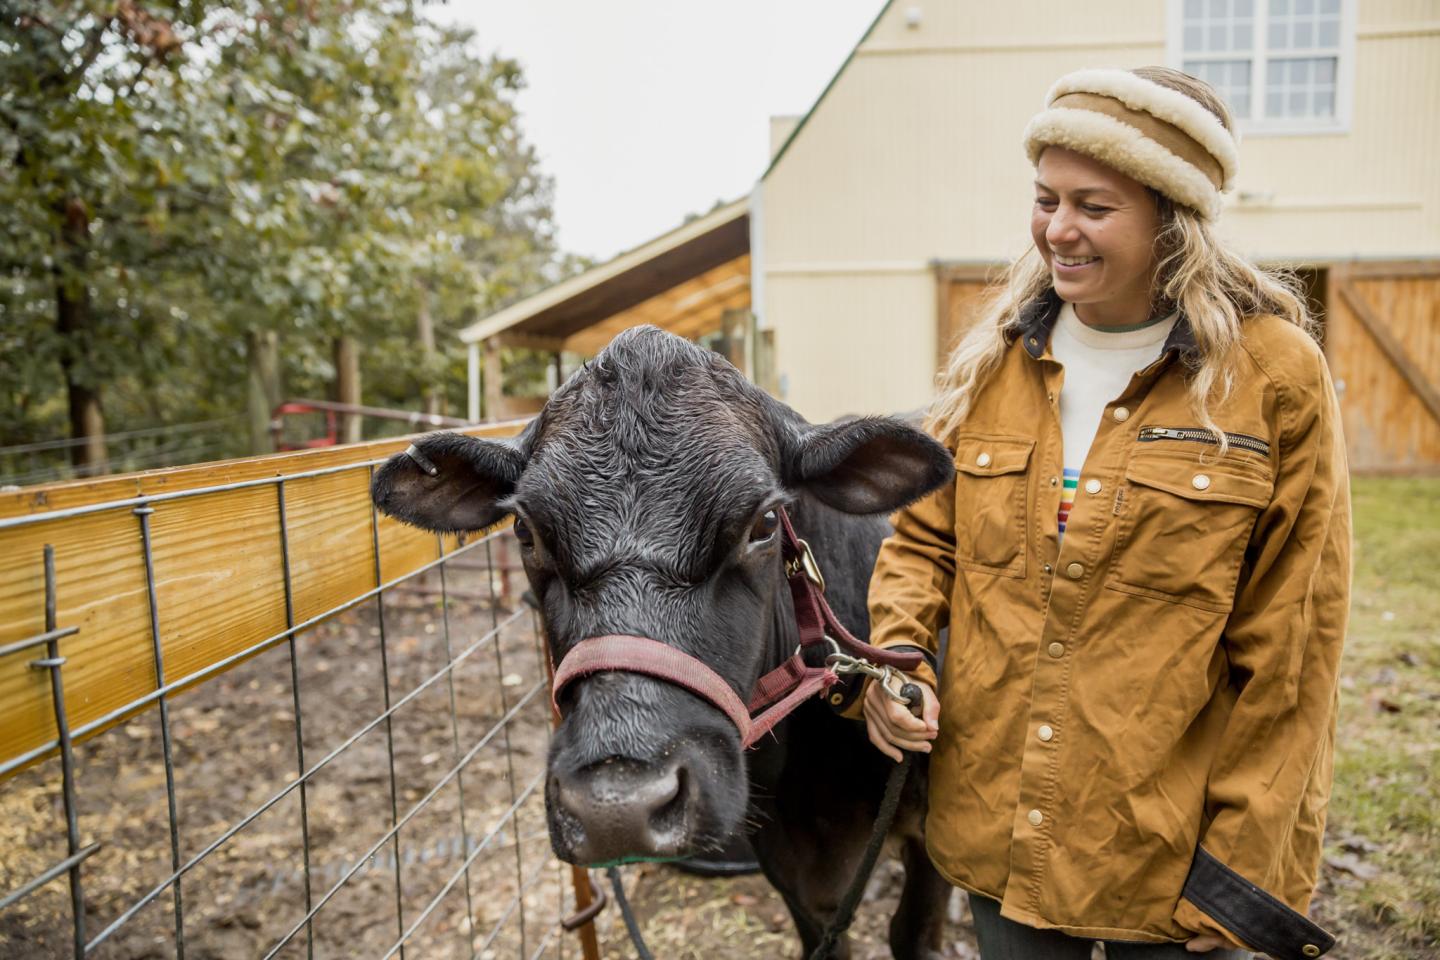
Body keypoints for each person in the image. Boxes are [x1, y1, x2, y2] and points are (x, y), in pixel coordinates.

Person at [861, 66, 1350, 960]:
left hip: (1164, 854)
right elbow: (925, 543)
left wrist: (1243, 867)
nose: (1058, 229)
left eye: (1094, 204)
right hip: (997, 828)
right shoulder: (994, 367)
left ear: (1173, 216)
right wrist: (900, 662)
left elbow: (1296, 644)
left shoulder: (1274, 379)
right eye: (1045, 198)